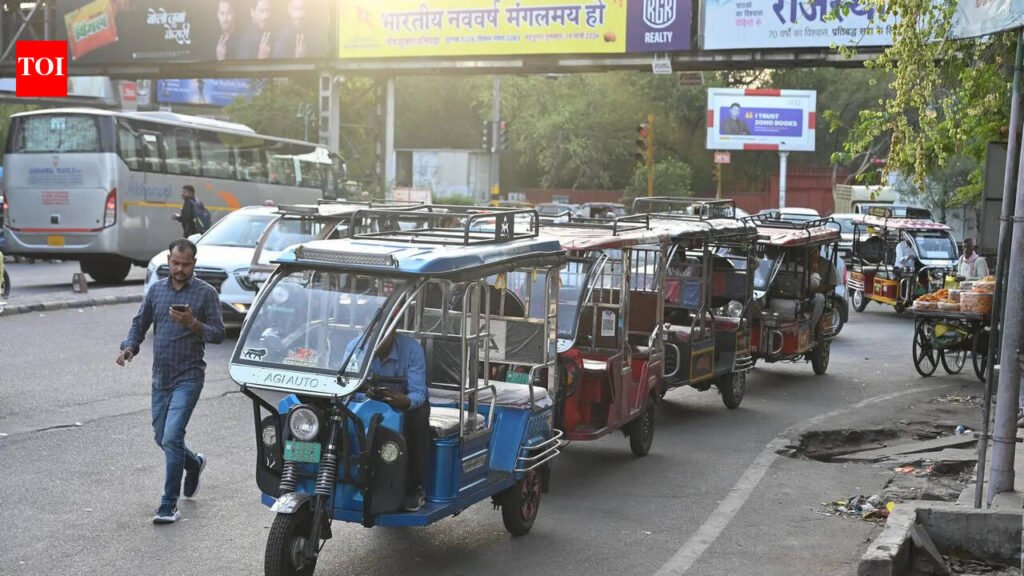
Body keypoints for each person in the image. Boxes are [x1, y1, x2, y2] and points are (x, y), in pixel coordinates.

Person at [116, 239, 226, 524]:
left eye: (186, 264)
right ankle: (194, 463)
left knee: (172, 436)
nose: (179, 269)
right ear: (168, 259)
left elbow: (217, 333)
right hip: (160, 378)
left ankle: (168, 505)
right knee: (162, 438)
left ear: (194, 264)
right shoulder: (156, 290)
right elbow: (139, 324)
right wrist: (129, 347)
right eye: (175, 263)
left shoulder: (205, 294)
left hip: (189, 377)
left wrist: (192, 324)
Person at [345, 320, 429, 512]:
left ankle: (414, 487)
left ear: (393, 332)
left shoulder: (412, 350)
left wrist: (404, 401)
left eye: (384, 334)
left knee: (418, 419)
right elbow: (348, 387)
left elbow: (418, 393)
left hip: (403, 405)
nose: (378, 340)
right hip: (368, 403)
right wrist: (367, 393)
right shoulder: (355, 348)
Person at [808, 248, 838, 331]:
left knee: (819, 298)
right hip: (800, 293)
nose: (812, 255)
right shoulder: (801, 262)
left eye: (815, 252)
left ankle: (811, 328)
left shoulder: (827, 264)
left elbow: (832, 284)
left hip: (817, 294)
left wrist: (817, 290)